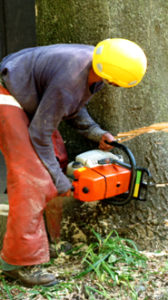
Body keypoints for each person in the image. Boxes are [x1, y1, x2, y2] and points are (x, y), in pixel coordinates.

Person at [0, 38, 147, 287]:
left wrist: (96, 133)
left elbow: (72, 107)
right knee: (34, 178)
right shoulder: (72, 77)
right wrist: (59, 181)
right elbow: (40, 133)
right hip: (7, 94)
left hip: (26, 96)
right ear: (111, 77)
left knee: (55, 160)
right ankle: (17, 263)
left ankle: (49, 242)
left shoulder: (98, 64)